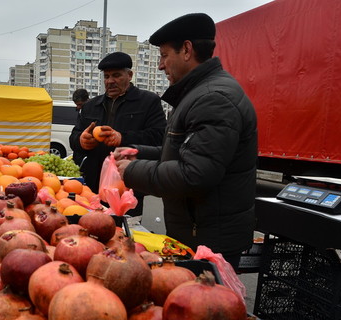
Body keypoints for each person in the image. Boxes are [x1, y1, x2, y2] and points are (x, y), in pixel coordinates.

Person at [115, 13, 258, 270]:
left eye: (164, 55)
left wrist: (132, 170)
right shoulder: (197, 93)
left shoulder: (213, 98)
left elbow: (195, 173)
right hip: (198, 231)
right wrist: (141, 153)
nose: (160, 65)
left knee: (205, 308)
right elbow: (184, 153)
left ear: (187, 50)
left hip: (210, 240)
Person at [69, 52, 166, 216]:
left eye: (116, 75)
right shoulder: (91, 106)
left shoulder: (148, 102)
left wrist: (123, 138)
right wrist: (81, 141)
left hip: (127, 187)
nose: (110, 81)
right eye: (106, 77)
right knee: (92, 228)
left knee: (125, 234)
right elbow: (74, 137)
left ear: (130, 75)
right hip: (92, 185)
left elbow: (159, 137)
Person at [71, 88, 89, 166]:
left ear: (87, 100)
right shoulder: (81, 112)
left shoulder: (95, 113)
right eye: (76, 104)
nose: (78, 107)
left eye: (80, 104)